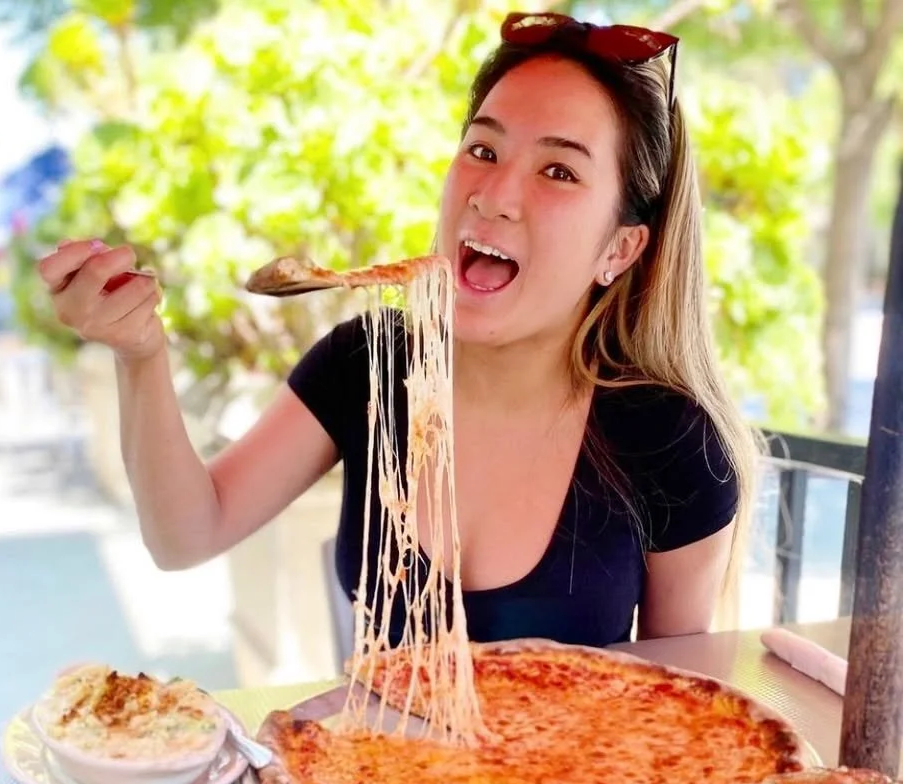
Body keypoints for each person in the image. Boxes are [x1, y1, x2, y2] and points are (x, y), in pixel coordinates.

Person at [38, 11, 756, 650]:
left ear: (619, 249)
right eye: (483, 149)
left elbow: (678, 707)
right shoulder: (369, 365)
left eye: (559, 171)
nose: (496, 195)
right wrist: (141, 353)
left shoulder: (669, 442)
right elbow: (185, 534)